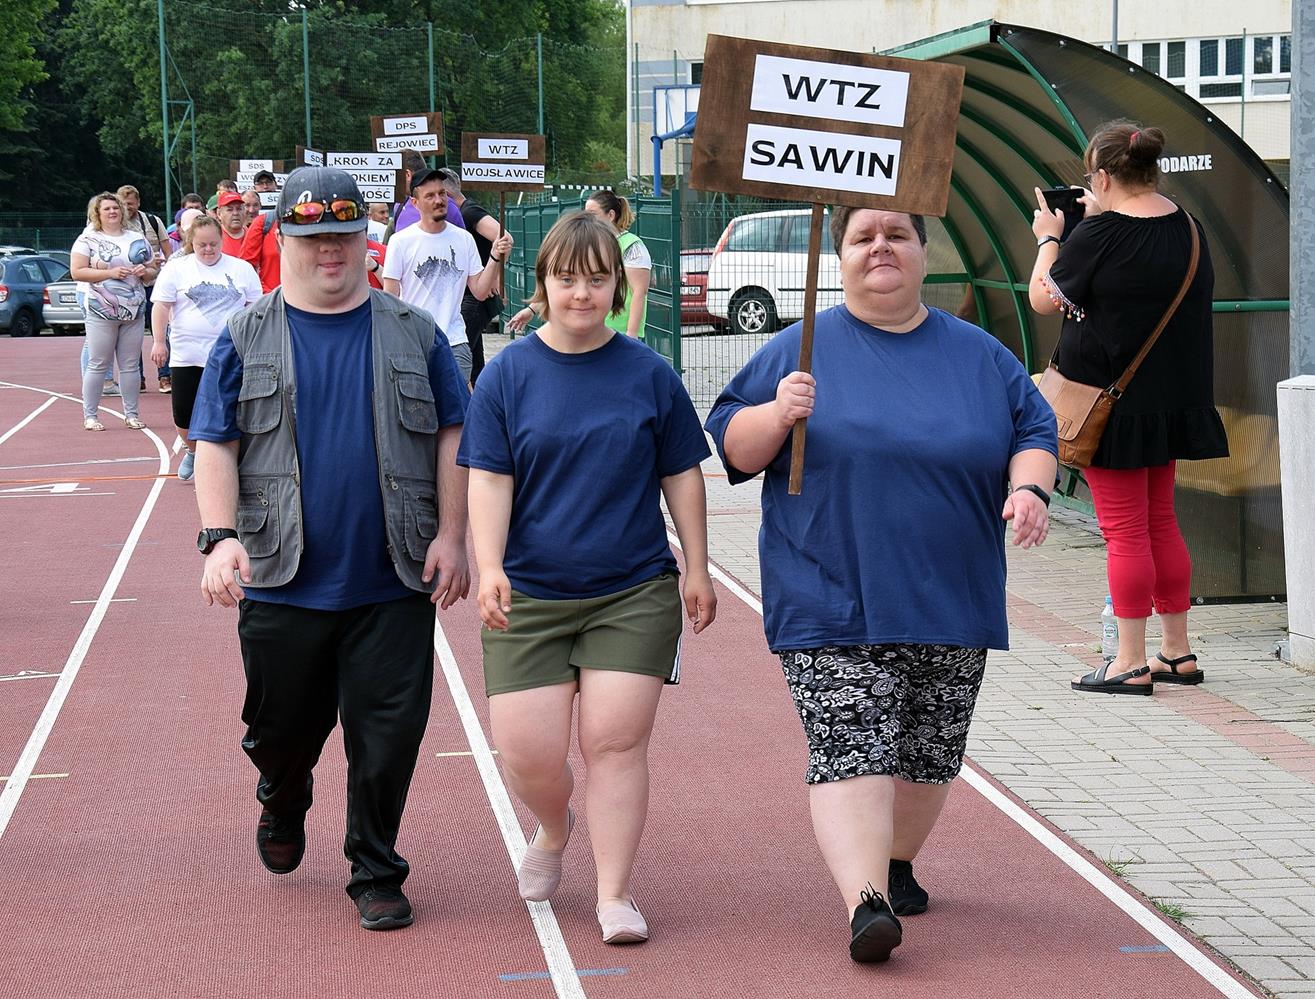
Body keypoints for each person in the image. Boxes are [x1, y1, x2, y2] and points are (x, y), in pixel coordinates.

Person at [705, 207, 1057, 963]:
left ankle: (894, 862)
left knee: (929, 757)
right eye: (862, 236)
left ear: (924, 251)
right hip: (827, 590)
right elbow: (732, 444)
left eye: (897, 234)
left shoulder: (980, 356)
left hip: (950, 595)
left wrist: (1029, 489)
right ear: (839, 257)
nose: (880, 247)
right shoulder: (799, 348)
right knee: (851, 747)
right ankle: (865, 901)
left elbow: (1034, 431)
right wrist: (778, 411)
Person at [190, 165, 471, 932]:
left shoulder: (414, 332)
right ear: (283, 238)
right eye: (313, 238)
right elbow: (215, 440)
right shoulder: (244, 334)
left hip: (393, 576)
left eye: (344, 236)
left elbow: (453, 433)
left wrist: (453, 534)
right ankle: (283, 796)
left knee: (387, 739)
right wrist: (219, 538)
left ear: (364, 239)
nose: (330, 251)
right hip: (281, 578)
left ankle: (375, 868)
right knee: (280, 734)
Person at [459, 211, 716, 944]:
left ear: (616, 287)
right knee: (528, 754)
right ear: (541, 282)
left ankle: (614, 893)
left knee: (614, 744)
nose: (581, 293)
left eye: (596, 280)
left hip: (631, 591)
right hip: (531, 594)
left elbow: (681, 474)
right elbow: (490, 478)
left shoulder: (649, 373)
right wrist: (489, 565)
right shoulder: (508, 373)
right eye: (566, 278)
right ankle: (553, 824)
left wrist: (697, 567)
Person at [1027, 120, 1228, 695]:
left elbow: (1043, 298)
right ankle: (1177, 652)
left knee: (1125, 533)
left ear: (1103, 176)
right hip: (1171, 405)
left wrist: (1049, 238)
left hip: (1109, 408)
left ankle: (1130, 661)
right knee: (1161, 522)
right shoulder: (1188, 227)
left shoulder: (1099, 235)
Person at [150, 216, 261, 481]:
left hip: (230, 354)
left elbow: (255, 308)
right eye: (202, 245)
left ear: (221, 241)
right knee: (184, 413)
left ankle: (229, 459)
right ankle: (193, 451)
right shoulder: (177, 268)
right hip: (188, 354)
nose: (208, 250)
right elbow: (161, 306)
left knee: (231, 410)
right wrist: (159, 341)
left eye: (213, 244)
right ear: (191, 243)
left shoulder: (241, 269)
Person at [382, 168, 511, 385]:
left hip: (455, 342)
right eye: (430, 196)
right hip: (414, 343)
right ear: (415, 203)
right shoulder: (400, 241)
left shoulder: (464, 239)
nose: (438, 200)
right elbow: (390, 298)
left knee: (454, 404)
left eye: (442, 193)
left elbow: (480, 292)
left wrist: (494, 257)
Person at [508, 191, 651, 343]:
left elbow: (639, 292)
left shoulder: (631, 246)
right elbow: (561, 281)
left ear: (610, 215)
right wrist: (531, 310)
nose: (587, 218)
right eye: (585, 213)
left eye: (593, 213)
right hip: (588, 329)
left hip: (618, 331)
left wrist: (631, 334)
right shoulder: (586, 243)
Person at [71, 192, 158, 431]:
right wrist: (109, 273)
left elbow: (152, 269)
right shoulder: (88, 239)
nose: (112, 212)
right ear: (97, 214)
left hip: (134, 311)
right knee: (98, 363)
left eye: (115, 208)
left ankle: (132, 414)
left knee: (130, 365)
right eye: (106, 209)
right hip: (101, 310)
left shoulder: (136, 237)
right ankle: (90, 415)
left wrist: (145, 272)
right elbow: (77, 271)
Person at [440, 169, 504, 383]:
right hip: (469, 294)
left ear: (447, 194)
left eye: (438, 194)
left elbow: (503, 237)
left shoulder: (468, 211)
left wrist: (495, 275)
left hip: (476, 295)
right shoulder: (461, 214)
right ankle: (481, 397)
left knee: (458, 353)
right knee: (474, 357)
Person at [383, 148, 465, 241]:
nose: (391, 181)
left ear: (407, 174)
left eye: (392, 175)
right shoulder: (400, 206)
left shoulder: (445, 206)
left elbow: (462, 243)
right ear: (414, 202)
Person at [215, 191, 249, 256]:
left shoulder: (253, 235)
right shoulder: (213, 237)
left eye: (239, 209)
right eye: (230, 210)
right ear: (219, 214)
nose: (235, 213)